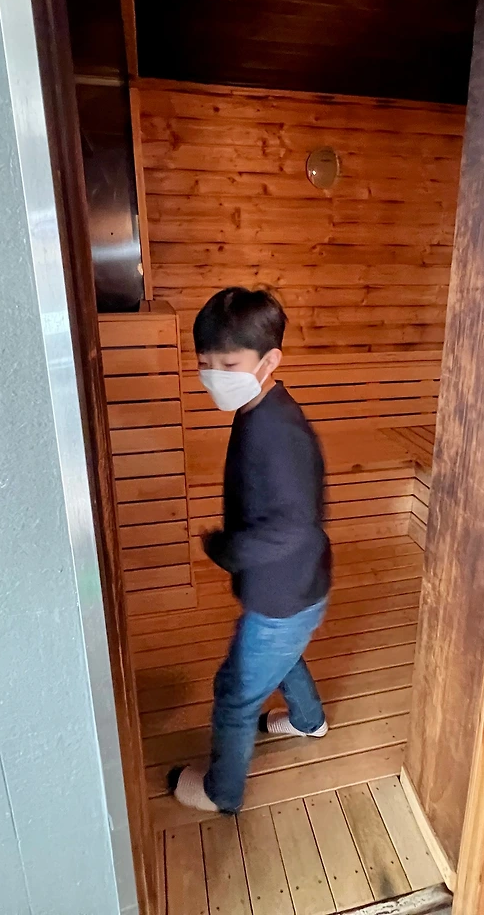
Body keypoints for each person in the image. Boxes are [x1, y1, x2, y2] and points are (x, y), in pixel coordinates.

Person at [168, 287, 333, 814]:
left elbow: (294, 524)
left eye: (229, 364)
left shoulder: (277, 432)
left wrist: (229, 549)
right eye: (205, 363)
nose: (215, 375)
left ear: (269, 360)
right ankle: (308, 721)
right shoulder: (258, 407)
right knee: (283, 654)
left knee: (235, 693)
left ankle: (221, 792)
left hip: (283, 593)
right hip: (294, 587)